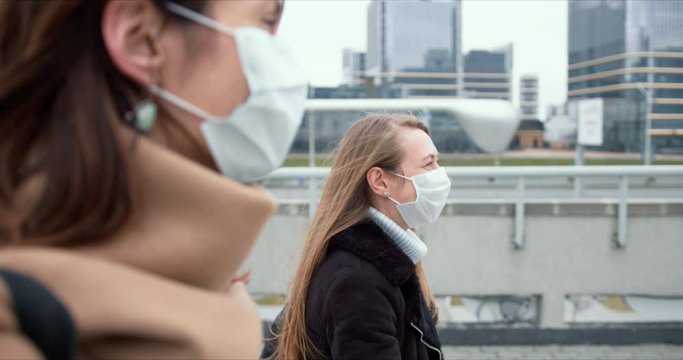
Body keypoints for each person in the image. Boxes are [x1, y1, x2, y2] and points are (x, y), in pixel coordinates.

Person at [0, 0, 306, 356]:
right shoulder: (17, 331)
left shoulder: (211, 291)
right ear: (143, 40)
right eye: (267, 21)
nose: (287, 63)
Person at [264, 114, 451, 360]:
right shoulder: (359, 283)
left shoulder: (381, 262)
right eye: (428, 164)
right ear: (380, 181)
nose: (441, 175)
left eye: (437, 161)